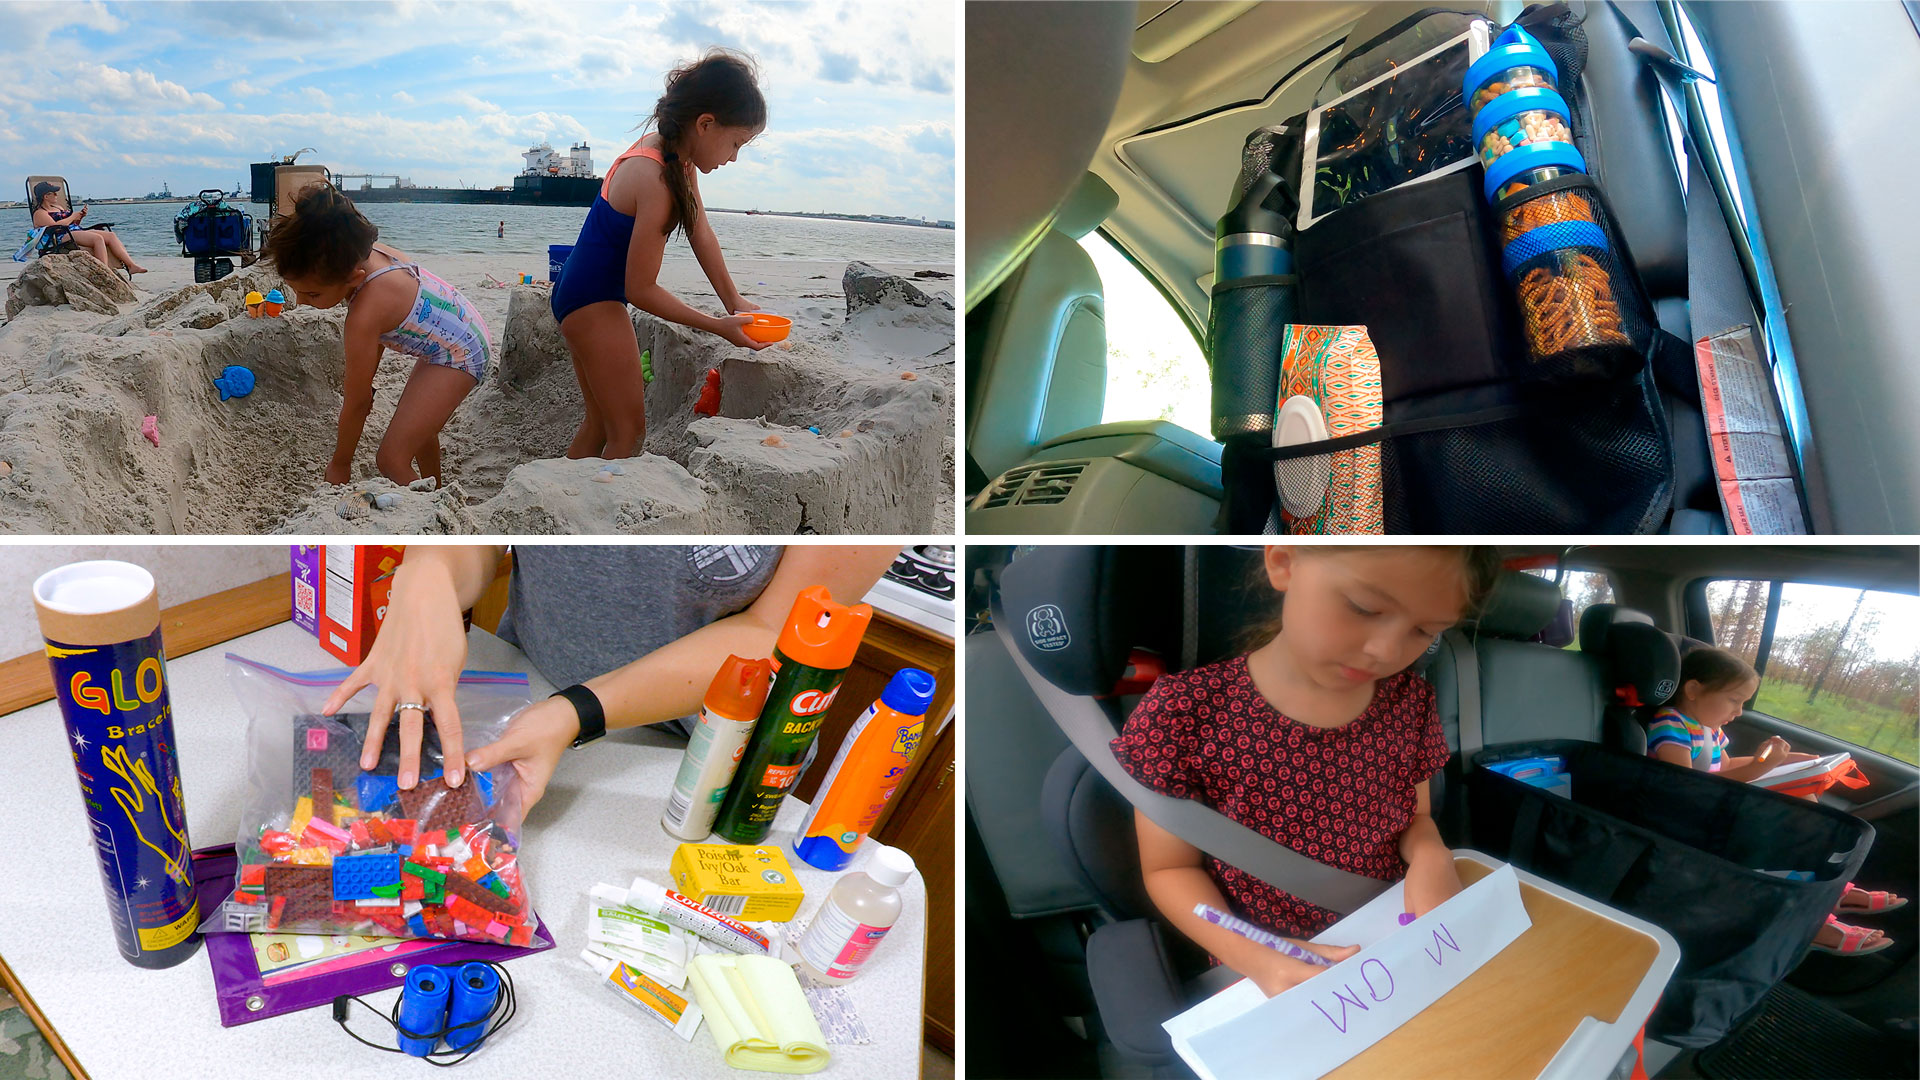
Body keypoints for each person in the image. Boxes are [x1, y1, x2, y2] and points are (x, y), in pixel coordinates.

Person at [1112, 546, 1500, 997]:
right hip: (1265, 965)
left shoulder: (1409, 701)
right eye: (1364, 607)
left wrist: (1432, 856)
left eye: (1423, 631)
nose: (1386, 650)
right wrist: (1254, 958)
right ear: (1284, 562)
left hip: (1398, 941)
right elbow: (1169, 870)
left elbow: (1415, 819)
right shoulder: (1182, 713)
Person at [319, 545, 897, 814]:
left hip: (706, 765)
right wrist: (429, 568)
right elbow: (484, 528)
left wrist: (576, 713)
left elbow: (775, 629)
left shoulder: (879, 434)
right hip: (526, 692)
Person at [549, 50, 773, 462]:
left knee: (601, 425)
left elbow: (701, 231)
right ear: (706, 124)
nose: (735, 157)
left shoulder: (673, 154)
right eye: (736, 143)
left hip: (577, 289)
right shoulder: (656, 178)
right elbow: (640, 289)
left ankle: (566, 500)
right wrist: (716, 326)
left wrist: (734, 301)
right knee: (629, 435)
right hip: (594, 302)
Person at [1649, 646, 1905, 955]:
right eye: (1734, 700)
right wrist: (1761, 768)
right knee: (1787, 823)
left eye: (1743, 703)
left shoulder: (1709, 729)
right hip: (1690, 815)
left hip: (1716, 804)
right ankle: (1810, 917)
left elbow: (1726, 766)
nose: (1739, 711)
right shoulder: (1670, 724)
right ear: (1693, 690)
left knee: (1804, 800)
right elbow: (1684, 784)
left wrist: (1785, 762)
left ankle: (1825, 891)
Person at [261, 182, 489, 486]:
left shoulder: (364, 315)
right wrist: (365, 381)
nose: (301, 301)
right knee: (418, 427)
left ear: (354, 278)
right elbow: (374, 354)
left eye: (312, 293)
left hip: (460, 353)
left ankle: (433, 514)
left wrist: (341, 464)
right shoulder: (366, 254)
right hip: (462, 330)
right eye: (296, 291)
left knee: (390, 458)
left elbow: (356, 402)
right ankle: (434, 487)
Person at [29, 182, 147, 274]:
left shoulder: (58, 207)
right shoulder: (40, 213)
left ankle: (131, 266)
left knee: (110, 236)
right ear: (45, 196)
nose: (56, 195)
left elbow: (72, 223)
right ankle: (104, 271)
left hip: (73, 230)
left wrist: (80, 216)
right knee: (97, 239)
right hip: (58, 237)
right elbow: (55, 228)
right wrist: (73, 216)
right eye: (53, 193)